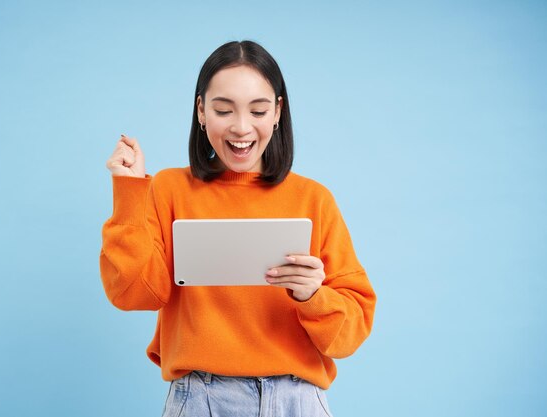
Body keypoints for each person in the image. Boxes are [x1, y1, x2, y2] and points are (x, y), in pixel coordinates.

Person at [99, 40, 376, 417]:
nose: (241, 127)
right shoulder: (168, 189)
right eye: (223, 110)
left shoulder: (313, 200)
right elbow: (133, 294)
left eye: (258, 110)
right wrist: (129, 191)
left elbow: (351, 333)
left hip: (297, 400)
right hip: (202, 398)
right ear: (201, 111)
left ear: (278, 112)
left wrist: (313, 296)